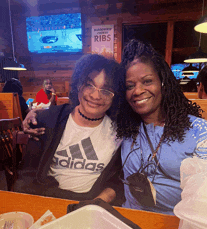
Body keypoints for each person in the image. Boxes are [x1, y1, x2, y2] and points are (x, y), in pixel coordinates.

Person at [113, 39, 207, 215]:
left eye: (147, 81)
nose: (137, 91)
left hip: (180, 224)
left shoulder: (198, 129)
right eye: (129, 86)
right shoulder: (124, 128)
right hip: (131, 220)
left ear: (163, 83)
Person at [14, 54, 124, 206]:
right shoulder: (48, 120)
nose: (95, 95)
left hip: (90, 205)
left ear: (114, 97)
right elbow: (27, 174)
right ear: (79, 84)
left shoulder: (120, 132)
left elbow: (117, 181)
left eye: (106, 90)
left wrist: (93, 206)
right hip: (48, 199)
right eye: (89, 85)